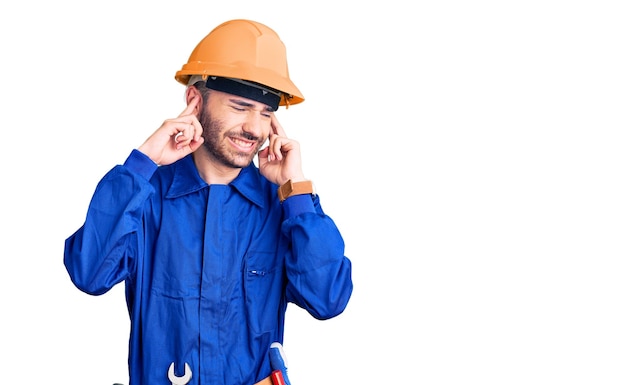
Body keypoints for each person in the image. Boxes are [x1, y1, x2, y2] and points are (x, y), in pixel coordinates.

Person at [64, 19, 353, 385]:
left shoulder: (285, 208)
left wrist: (296, 191)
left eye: (266, 113)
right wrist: (142, 162)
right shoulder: (147, 197)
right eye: (240, 107)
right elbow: (89, 272)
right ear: (195, 100)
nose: (256, 128)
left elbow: (328, 299)